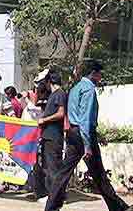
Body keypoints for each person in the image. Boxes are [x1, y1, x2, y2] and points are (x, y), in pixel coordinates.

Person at [45, 63, 131, 211]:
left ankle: (51, 207)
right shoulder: (89, 89)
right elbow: (84, 119)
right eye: (99, 74)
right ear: (93, 73)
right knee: (99, 174)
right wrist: (87, 144)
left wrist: (96, 135)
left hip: (73, 133)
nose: (100, 77)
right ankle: (118, 207)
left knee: (63, 173)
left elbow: (76, 117)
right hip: (83, 136)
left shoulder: (75, 88)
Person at [36, 72, 66, 204]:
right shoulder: (53, 95)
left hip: (54, 137)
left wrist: (44, 120)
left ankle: (56, 197)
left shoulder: (59, 94)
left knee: (54, 167)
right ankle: (52, 195)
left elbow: (61, 113)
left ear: (49, 82)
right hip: (48, 137)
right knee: (48, 167)